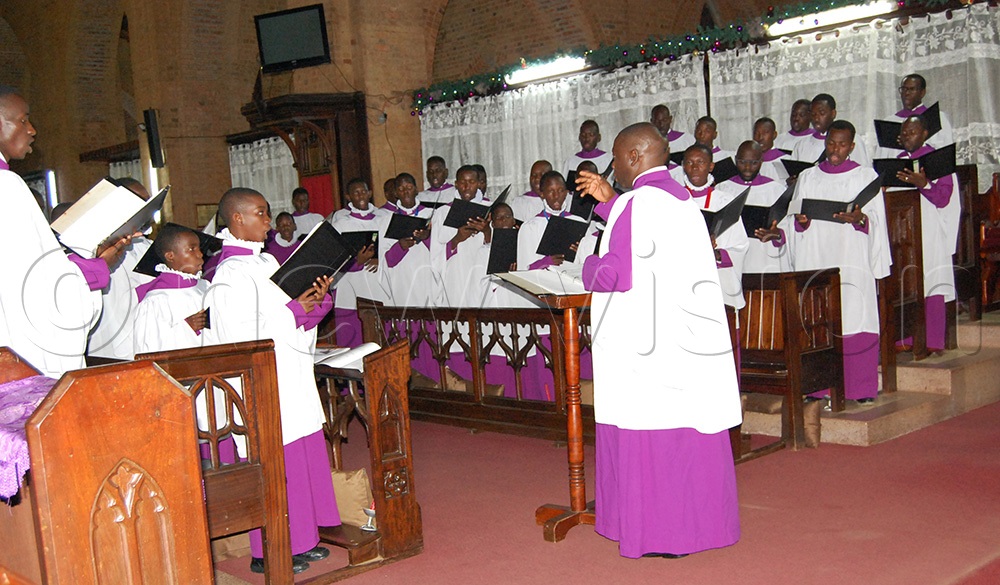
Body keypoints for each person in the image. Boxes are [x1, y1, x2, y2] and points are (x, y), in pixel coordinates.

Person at [575, 122, 741, 559]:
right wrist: (612, 203)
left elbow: (615, 273)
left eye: (615, 157)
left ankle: (661, 535)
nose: (613, 167)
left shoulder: (638, 203)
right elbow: (646, 241)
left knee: (653, 432)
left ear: (632, 157)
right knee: (688, 432)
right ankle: (700, 528)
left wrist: (587, 267)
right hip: (684, 341)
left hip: (649, 348)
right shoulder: (679, 200)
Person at [204, 188, 339, 574]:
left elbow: (290, 317)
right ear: (237, 220)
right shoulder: (227, 275)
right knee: (273, 465)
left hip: (289, 376)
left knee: (296, 458)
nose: (268, 221)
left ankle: (301, 539)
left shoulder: (264, 263)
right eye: (260, 214)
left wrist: (314, 302)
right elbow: (239, 334)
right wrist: (294, 309)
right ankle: (267, 551)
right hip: (263, 384)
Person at [0, 86, 132, 377]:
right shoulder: (7, 188)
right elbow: (37, 290)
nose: (32, 130)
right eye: (23, 120)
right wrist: (98, 266)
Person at [789, 120, 889, 403]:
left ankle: (860, 388)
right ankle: (818, 387)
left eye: (842, 144)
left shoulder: (865, 176)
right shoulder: (808, 177)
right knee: (819, 318)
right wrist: (801, 222)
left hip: (851, 257)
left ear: (852, 147)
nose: (835, 149)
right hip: (817, 255)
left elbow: (878, 221)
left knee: (855, 315)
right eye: (831, 143)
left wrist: (860, 220)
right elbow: (795, 221)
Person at [891, 115, 961, 352]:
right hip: (903, 232)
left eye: (912, 132)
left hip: (929, 229)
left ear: (924, 134)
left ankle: (932, 341)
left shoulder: (938, 160)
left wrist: (924, 184)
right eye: (904, 133)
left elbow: (943, 198)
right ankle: (905, 339)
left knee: (932, 282)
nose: (906, 137)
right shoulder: (895, 162)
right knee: (905, 282)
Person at [87, 177, 155, 361]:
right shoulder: (96, 247)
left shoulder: (149, 245)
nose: (147, 209)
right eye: (140, 202)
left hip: (143, 343)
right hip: (108, 348)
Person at [679, 144, 748, 312]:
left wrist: (718, 254)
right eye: (689, 162)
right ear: (683, 166)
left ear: (711, 166)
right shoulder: (674, 201)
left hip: (719, 283)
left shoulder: (725, 201)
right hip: (684, 283)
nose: (694, 167)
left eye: (700, 162)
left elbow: (741, 245)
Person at [329, 178, 390, 346]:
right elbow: (334, 261)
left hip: (377, 284)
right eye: (356, 193)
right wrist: (357, 261)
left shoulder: (382, 220)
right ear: (349, 197)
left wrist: (380, 258)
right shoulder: (341, 225)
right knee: (352, 341)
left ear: (369, 193)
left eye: (363, 191)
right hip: (350, 287)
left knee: (379, 339)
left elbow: (392, 251)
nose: (361, 195)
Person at [133, 223, 208, 354]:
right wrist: (187, 327)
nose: (200, 254)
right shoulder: (156, 299)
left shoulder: (206, 286)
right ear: (170, 256)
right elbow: (147, 348)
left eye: (199, 248)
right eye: (192, 249)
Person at [719, 140, 791, 274]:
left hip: (764, 256)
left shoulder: (776, 190)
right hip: (734, 257)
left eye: (754, 163)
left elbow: (788, 225)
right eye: (742, 162)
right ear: (735, 160)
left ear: (761, 161)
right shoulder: (722, 189)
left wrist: (778, 233)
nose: (747, 167)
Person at [430, 165, 493, 307]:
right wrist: (457, 239)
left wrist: (486, 231)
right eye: (462, 182)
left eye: (471, 182)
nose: (466, 186)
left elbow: (500, 249)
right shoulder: (443, 213)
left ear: (478, 184)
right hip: (456, 276)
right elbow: (435, 254)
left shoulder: (491, 209)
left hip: (482, 273)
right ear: (456, 184)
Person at [380, 173, 437, 308]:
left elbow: (443, 253)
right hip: (402, 284)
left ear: (416, 190)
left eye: (409, 187)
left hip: (427, 280)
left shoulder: (432, 215)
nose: (406, 192)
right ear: (395, 193)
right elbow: (386, 261)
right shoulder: (387, 221)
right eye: (401, 189)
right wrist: (400, 246)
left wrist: (427, 238)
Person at [876, 73, 955, 158]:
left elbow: (946, 151)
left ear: (922, 93)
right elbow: (881, 155)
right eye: (904, 89)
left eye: (911, 89)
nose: (906, 93)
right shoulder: (889, 121)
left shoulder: (937, 117)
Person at [792, 94, 871, 167]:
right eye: (813, 114)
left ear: (833, 113)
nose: (816, 118)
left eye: (821, 113)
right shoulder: (801, 145)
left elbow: (863, 170)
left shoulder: (851, 139)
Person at [753, 117, 791, 182]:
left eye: (765, 132)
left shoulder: (786, 160)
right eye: (756, 133)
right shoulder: (748, 161)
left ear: (774, 135)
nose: (760, 137)